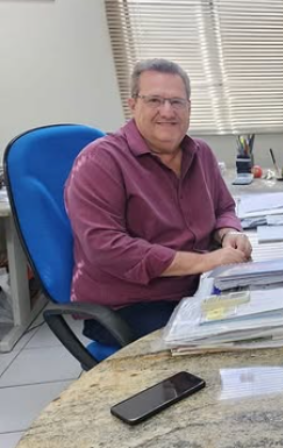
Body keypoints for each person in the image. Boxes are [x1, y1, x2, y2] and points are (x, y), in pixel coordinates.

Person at [65, 59, 252, 345]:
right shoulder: (99, 161)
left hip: (199, 284)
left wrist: (229, 233)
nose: (167, 111)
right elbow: (107, 248)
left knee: (281, 311)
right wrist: (206, 261)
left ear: (189, 107)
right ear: (133, 104)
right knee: (232, 343)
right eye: (154, 100)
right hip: (132, 303)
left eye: (176, 102)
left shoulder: (201, 152)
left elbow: (223, 208)